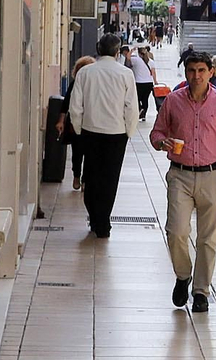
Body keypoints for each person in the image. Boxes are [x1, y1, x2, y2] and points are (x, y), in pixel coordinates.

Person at [150, 51, 216, 314]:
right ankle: (183, 275)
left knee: (208, 239)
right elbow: (156, 132)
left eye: (201, 71)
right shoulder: (173, 101)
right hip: (180, 175)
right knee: (176, 231)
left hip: (213, 175)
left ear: (210, 73)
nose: (196, 76)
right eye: (191, 71)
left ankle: (200, 291)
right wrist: (163, 142)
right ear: (186, 73)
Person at [66, 33, 140, 238]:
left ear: (98, 49)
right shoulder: (125, 74)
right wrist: (129, 130)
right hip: (116, 133)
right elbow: (131, 107)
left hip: (90, 130)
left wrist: (79, 129)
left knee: (90, 175)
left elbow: (75, 105)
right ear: (117, 52)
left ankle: (94, 217)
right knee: (110, 176)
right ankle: (103, 220)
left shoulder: (85, 72)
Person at [58, 56, 96, 191]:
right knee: (78, 152)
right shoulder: (75, 84)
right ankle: (76, 175)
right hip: (76, 123)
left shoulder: (95, 85)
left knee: (90, 153)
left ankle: (85, 179)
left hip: (91, 122)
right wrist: (61, 121)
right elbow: (66, 103)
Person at [129, 45, 156, 119]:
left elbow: (128, 59)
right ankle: (144, 115)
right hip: (149, 83)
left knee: (137, 98)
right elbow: (153, 72)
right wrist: (155, 81)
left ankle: (140, 109)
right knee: (145, 99)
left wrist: (131, 51)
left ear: (139, 53)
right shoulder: (151, 61)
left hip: (139, 83)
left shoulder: (136, 60)